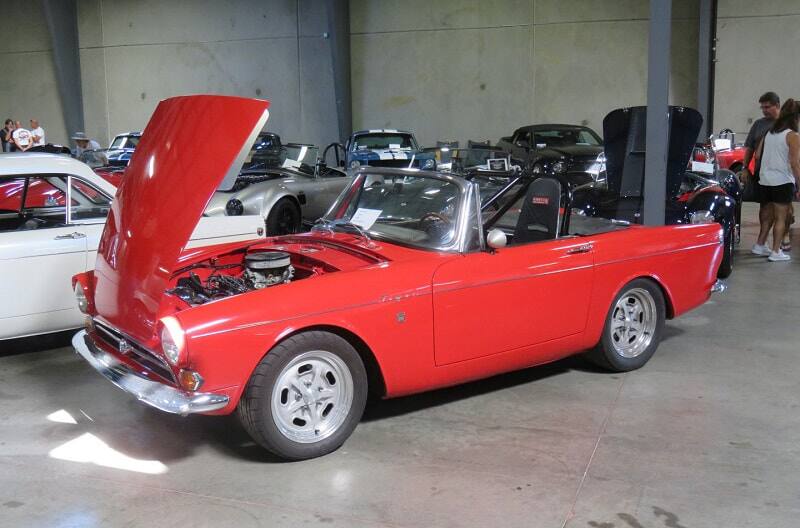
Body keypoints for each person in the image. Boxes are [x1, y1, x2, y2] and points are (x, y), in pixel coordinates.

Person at [752, 99, 800, 262]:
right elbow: (794, 163)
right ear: (796, 117)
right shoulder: (792, 135)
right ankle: (775, 251)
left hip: (765, 180)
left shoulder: (770, 132)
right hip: (782, 181)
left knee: (767, 216)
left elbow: (757, 155)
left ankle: (759, 245)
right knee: (781, 218)